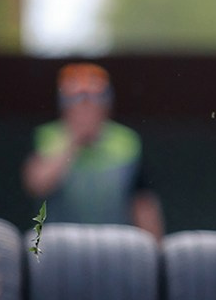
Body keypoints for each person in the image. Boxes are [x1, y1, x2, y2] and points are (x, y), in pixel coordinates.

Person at [23, 63, 163, 238]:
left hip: (115, 243)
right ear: (64, 108)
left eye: (92, 103)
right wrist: (73, 143)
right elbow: (36, 184)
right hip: (60, 245)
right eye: (77, 103)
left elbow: (143, 204)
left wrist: (155, 251)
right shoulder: (47, 137)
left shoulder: (126, 142)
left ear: (106, 107)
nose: (85, 110)